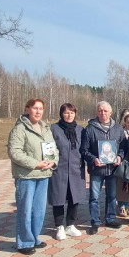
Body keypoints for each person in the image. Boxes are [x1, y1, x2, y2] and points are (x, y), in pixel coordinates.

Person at [8, 98, 59, 255]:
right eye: (35, 108)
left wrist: (53, 162)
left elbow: (54, 150)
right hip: (27, 176)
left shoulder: (46, 129)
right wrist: (36, 164)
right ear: (27, 109)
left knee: (39, 210)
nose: (38, 111)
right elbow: (14, 152)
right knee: (25, 210)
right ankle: (24, 242)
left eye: (41, 109)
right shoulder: (20, 129)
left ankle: (34, 237)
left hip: (43, 175)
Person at [80, 101, 126, 235]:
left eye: (105, 111)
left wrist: (119, 157)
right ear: (97, 112)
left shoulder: (117, 128)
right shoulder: (89, 129)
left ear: (110, 112)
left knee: (111, 195)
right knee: (94, 197)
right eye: (100, 110)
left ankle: (110, 218)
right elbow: (84, 149)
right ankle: (95, 221)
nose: (103, 113)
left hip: (112, 169)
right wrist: (93, 159)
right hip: (97, 169)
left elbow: (123, 147)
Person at [49, 103, 85, 241]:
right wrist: (51, 162)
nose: (69, 115)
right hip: (59, 169)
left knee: (73, 198)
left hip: (76, 169)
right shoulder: (54, 129)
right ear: (61, 114)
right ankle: (59, 227)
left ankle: (70, 224)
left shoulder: (80, 130)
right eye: (66, 112)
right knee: (58, 198)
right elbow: (49, 147)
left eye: (72, 112)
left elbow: (85, 148)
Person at [116, 113, 129, 216]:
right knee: (121, 186)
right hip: (122, 162)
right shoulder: (121, 132)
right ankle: (121, 206)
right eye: (128, 122)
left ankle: (127, 205)